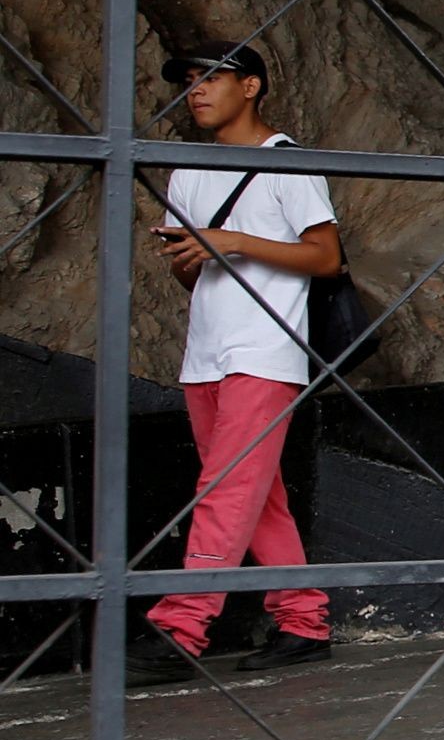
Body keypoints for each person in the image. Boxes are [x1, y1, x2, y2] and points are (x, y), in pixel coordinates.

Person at [134, 41, 342, 686]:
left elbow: (326, 257)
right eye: (189, 81)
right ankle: (304, 621)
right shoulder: (187, 171)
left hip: (266, 351)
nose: (195, 90)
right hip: (205, 354)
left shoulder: (289, 163)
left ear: (250, 86)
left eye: (211, 78)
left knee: (224, 488)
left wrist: (231, 241)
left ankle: (182, 626)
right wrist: (194, 255)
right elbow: (193, 275)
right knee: (257, 495)